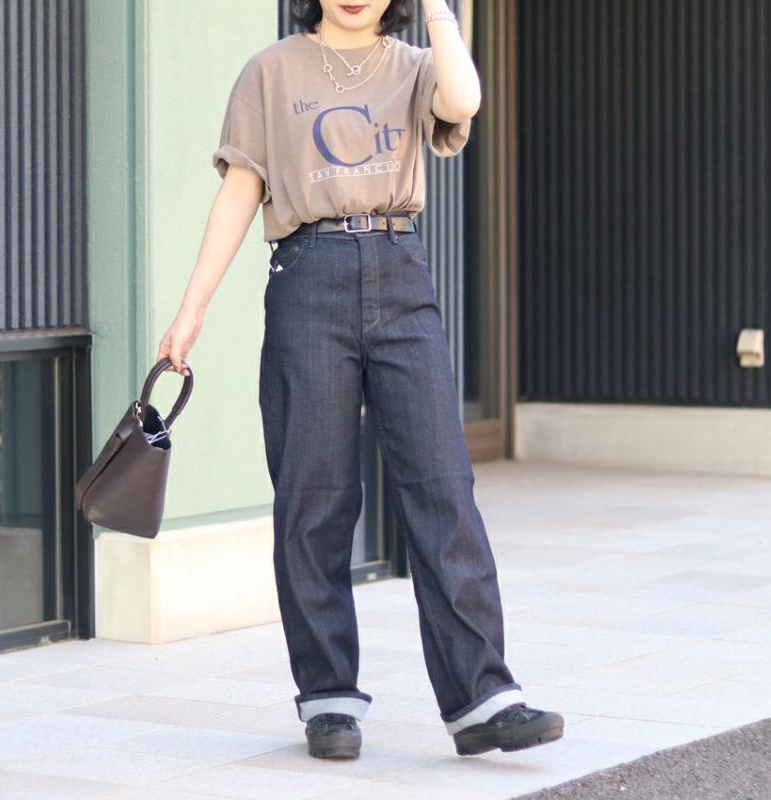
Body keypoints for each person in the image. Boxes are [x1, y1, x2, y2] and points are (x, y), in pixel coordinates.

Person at [156, 0, 564, 760]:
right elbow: (241, 189)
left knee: (443, 487)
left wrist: (440, 11)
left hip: (400, 268)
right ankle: (328, 702)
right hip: (308, 274)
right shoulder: (270, 71)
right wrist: (192, 309)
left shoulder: (416, 66)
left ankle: (483, 698)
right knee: (313, 494)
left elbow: (464, 101)